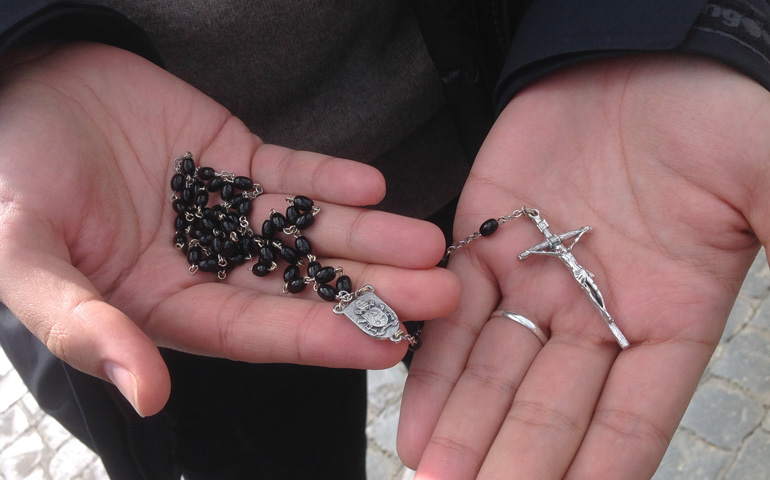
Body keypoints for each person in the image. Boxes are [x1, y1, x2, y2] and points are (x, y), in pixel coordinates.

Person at [1, 1, 769, 479]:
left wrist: (686, 25)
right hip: (140, 240)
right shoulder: (206, 236)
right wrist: (17, 62)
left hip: (516, 105)